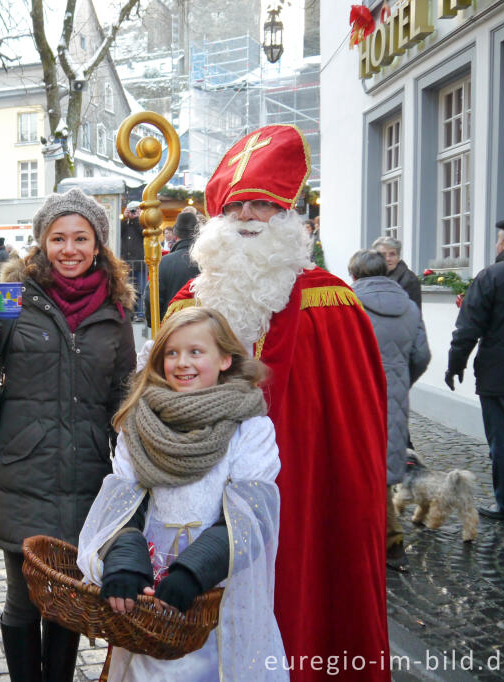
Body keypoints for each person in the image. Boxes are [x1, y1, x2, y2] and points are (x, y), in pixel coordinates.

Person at [165, 125, 389, 681]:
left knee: (303, 608)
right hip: (197, 504)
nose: (247, 217)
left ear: (289, 216)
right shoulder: (188, 301)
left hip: (303, 504)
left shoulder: (333, 304)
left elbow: (355, 441)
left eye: (264, 205)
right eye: (237, 205)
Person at [0, 188, 137, 682]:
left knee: (68, 600)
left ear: (98, 244)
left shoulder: (115, 310)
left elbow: (124, 396)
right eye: (58, 238)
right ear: (42, 242)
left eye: (80, 238)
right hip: (22, 472)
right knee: (24, 600)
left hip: (87, 477)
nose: (69, 249)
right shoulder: (12, 296)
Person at [77, 307, 284, 681]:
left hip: (219, 587)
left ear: (224, 358)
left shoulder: (249, 428)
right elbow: (125, 503)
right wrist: (124, 558)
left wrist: (195, 570)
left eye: (195, 352)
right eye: (171, 353)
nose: (181, 363)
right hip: (153, 589)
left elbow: (252, 515)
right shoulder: (140, 424)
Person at [349, 250, 430, 571]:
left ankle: (384, 543)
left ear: (353, 275)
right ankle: (391, 545)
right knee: (382, 467)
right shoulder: (409, 307)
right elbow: (421, 356)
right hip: (393, 394)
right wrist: (399, 381)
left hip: (354, 394)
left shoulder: (348, 304)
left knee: (354, 465)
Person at [445, 219, 504, 524]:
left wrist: (455, 365)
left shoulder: (492, 276)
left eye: (497, 241)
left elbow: (468, 328)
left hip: (501, 376)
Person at [144, 210, 199, 325]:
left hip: (170, 328)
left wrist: (153, 322)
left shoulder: (163, 262)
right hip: (203, 329)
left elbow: (152, 297)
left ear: (175, 234)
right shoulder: (208, 261)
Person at [372, 235, 422, 309]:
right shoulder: (370, 276)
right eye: (383, 254)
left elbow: (415, 312)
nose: (388, 258)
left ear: (398, 257)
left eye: (392, 254)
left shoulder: (409, 279)